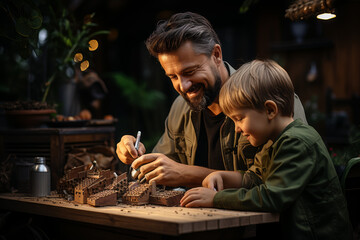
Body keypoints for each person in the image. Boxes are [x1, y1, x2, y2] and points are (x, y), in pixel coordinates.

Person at [116, 12, 307, 187]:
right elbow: (161, 170)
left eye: (189, 72)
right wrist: (137, 158)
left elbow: (283, 182)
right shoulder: (180, 108)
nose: (182, 86)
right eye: (173, 77)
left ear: (216, 55)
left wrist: (188, 175)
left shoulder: (269, 98)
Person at [179, 59, 352, 239]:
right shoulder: (273, 141)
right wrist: (222, 176)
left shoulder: (296, 143)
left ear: (270, 110)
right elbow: (256, 177)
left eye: (239, 118)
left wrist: (216, 199)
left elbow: (273, 197)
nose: (237, 128)